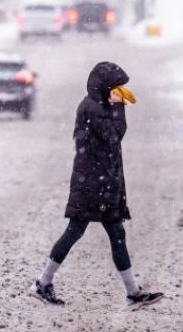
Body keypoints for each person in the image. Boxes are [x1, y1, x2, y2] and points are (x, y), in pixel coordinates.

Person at [31, 61, 164, 307]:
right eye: (116, 87)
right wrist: (119, 106)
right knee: (76, 232)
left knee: (114, 234)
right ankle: (43, 283)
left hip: (103, 185)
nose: (120, 91)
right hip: (93, 185)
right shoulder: (92, 108)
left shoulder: (98, 105)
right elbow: (114, 136)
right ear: (105, 87)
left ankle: (132, 292)